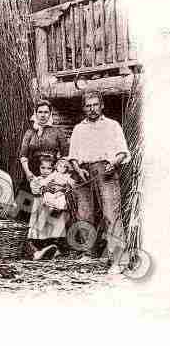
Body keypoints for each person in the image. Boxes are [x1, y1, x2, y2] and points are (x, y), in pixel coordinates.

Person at [68, 90, 130, 274]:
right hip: (84, 172)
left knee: (111, 214)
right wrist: (79, 170)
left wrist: (114, 163)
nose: (92, 109)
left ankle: (119, 261)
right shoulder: (79, 129)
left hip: (106, 170)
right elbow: (73, 156)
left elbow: (122, 152)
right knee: (84, 214)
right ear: (84, 108)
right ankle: (88, 253)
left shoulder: (113, 126)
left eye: (95, 105)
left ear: (102, 106)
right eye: (88, 106)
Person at [19, 100, 68, 218]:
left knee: (50, 202)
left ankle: (52, 235)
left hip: (51, 171)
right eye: (40, 112)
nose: (43, 115)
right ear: (35, 113)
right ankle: (28, 233)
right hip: (33, 171)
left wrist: (57, 174)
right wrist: (29, 174)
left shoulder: (57, 132)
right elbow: (23, 155)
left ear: (50, 113)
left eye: (46, 112)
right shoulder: (29, 132)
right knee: (27, 203)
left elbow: (65, 155)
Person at [27, 156, 71, 260]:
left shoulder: (57, 179)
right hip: (41, 207)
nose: (46, 171)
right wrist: (43, 188)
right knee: (40, 228)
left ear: (54, 168)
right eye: (43, 168)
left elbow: (66, 188)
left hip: (53, 207)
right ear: (38, 168)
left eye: (49, 168)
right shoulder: (37, 180)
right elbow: (35, 190)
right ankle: (39, 250)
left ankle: (53, 249)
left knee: (54, 227)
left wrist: (61, 188)